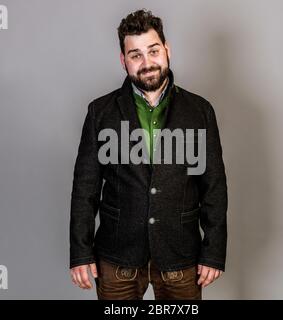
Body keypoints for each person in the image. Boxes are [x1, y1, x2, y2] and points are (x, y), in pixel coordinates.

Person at [69, 9, 228, 300]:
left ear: (166, 51)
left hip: (181, 256)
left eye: (153, 51)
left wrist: (214, 251)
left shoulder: (200, 111)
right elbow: (84, 189)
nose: (147, 63)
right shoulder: (99, 112)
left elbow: (213, 187)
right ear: (124, 60)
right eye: (136, 55)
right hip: (117, 257)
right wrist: (81, 252)